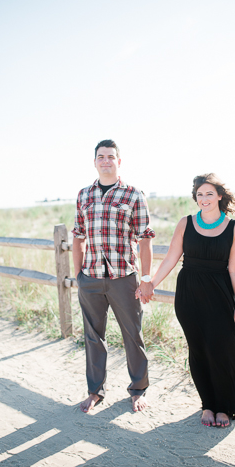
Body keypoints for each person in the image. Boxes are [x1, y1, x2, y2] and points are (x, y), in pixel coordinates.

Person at [143, 173, 235, 428]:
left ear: (220, 196)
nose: (204, 199)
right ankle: (208, 405)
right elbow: (170, 258)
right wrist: (151, 284)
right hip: (189, 296)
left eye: (209, 194)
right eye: (200, 194)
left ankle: (225, 406)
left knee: (222, 349)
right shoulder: (186, 223)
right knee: (199, 350)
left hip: (220, 296)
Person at [72, 139, 154, 413]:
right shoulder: (84, 195)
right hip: (91, 278)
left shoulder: (133, 194)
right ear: (94, 161)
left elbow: (145, 239)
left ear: (119, 161)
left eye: (110, 156)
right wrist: (79, 275)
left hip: (124, 278)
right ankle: (95, 391)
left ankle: (138, 390)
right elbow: (78, 237)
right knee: (94, 337)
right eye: (100, 157)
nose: (105, 161)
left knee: (133, 335)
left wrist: (145, 278)